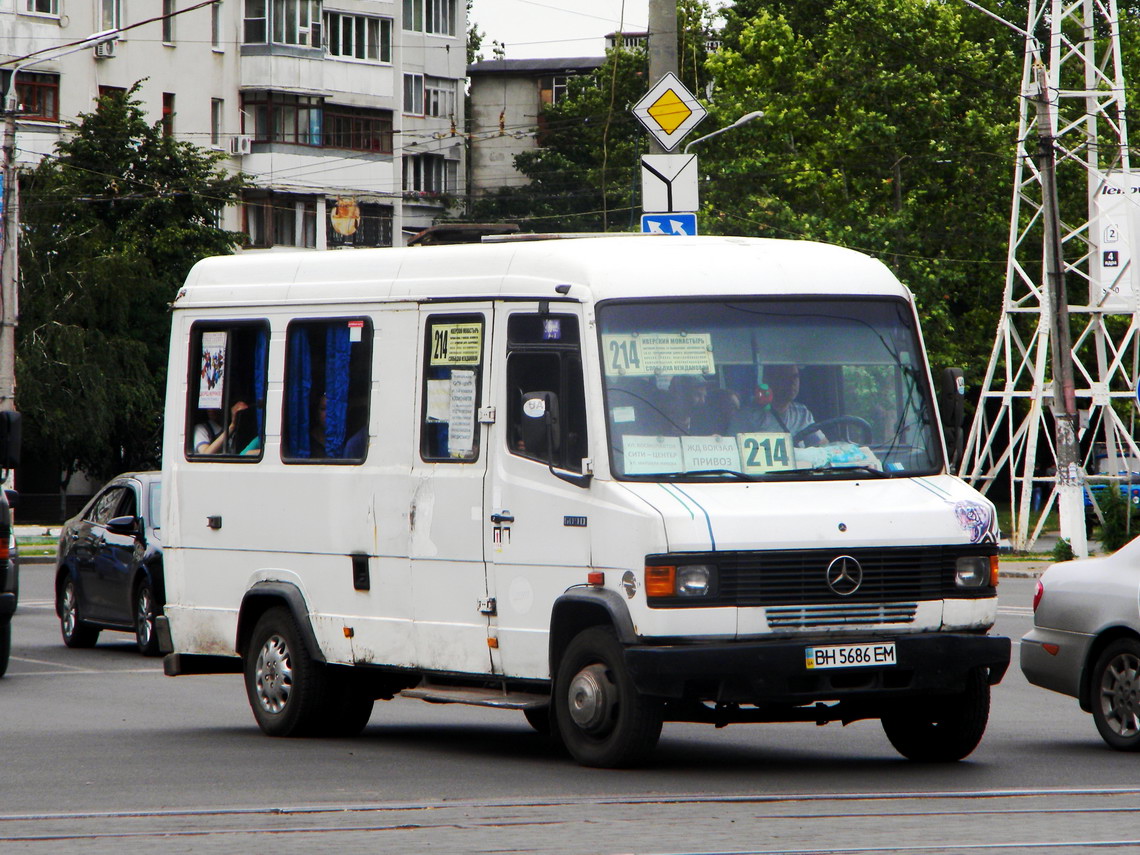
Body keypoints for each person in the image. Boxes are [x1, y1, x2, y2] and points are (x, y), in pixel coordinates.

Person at [729, 364, 826, 446]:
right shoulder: (746, 416)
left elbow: (821, 446)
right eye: (784, 378)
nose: (792, 383)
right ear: (768, 380)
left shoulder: (802, 413)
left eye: (795, 377)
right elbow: (734, 451)